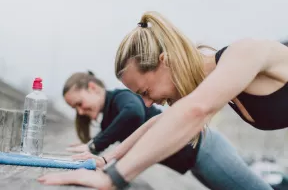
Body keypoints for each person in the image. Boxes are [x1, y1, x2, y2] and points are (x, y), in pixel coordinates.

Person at [38, 11, 288, 190]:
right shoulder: (207, 81)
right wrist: (106, 161)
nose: (147, 104)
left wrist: (112, 179)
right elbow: (155, 123)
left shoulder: (246, 53)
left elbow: (195, 111)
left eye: (145, 92)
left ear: (165, 61)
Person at [39, 71, 272, 190]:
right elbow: (139, 140)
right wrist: (102, 160)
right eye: (75, 109)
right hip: (194, 162)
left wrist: (95, 146)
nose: (80, 112)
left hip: (206, 150)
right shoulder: (110, 117)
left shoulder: (121, 98)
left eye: (79, 103)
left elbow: (134, 114)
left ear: (93, 88)